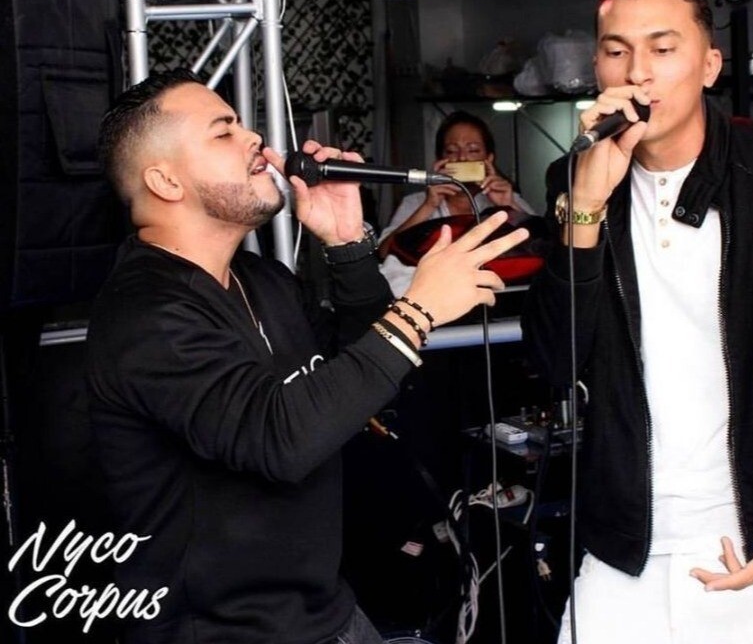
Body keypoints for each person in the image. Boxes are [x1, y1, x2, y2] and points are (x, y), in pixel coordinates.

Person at [86, 68, 528, 644]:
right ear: (166, 181)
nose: (253, 138)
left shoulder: (262, 280)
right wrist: (418, 309)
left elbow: (363, 383)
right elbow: (280, 441)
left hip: (325, 612)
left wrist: (347, 245)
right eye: (223, 131)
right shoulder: (146, 314)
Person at [521, 0, 753, 644]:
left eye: (663, 48)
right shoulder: (574, 180)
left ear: (709, 65)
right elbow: (554, 361)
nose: (638, 73)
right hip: (624, 547)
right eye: (616, 51)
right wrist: (585, 207)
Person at [377, 110, 534, 296]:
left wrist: (508, 205)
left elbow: (542, 247)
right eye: (451, 151)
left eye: (473, 150)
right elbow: (384, 252)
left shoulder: (507, 197)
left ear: (489, 159)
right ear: (440, 160)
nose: (462, 158)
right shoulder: (416, 202)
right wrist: (429, 205)